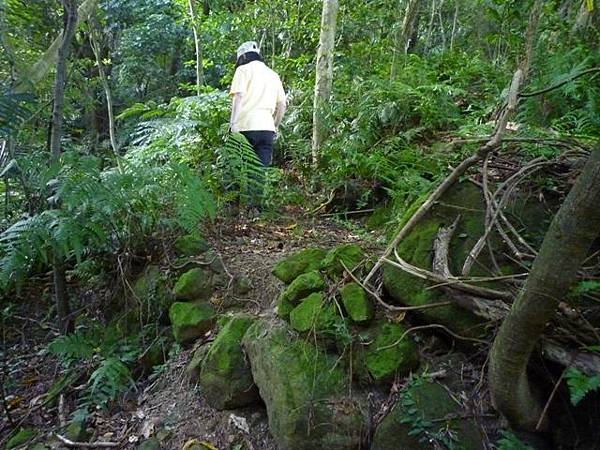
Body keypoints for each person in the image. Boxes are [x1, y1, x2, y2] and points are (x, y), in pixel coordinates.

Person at [229, 41, 287, 169]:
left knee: (242, 172)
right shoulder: (273, 74)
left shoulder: (243, 70)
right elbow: (282, 105)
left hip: (245, 127)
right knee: (259, 173)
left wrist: (232, 124)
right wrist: (275, 125)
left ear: (243, 57)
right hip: (267, 128)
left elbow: (239, 96)